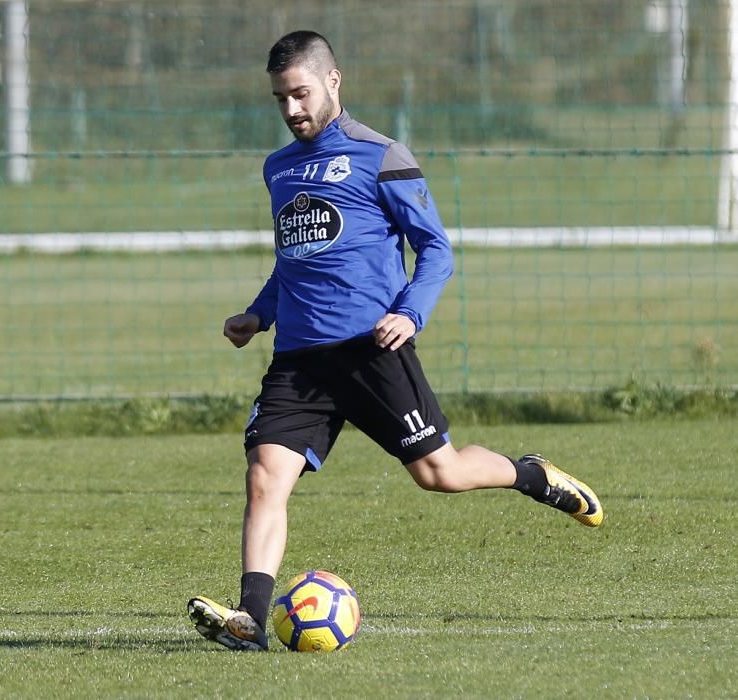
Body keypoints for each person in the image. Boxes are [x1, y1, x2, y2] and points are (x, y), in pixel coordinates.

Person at [187, 30, 603, 652]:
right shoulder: (279, 168)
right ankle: (250, 621)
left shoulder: (381, 155)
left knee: (440, 473)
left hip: (371, 347)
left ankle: (530, 475)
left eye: (300, 93)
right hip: (299, 361)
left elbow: (435, 249)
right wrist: (257, 314)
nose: (291, 109)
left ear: (333, 81)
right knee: (264, 477)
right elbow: (295, 259)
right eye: (280, 99)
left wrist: (410, 313)